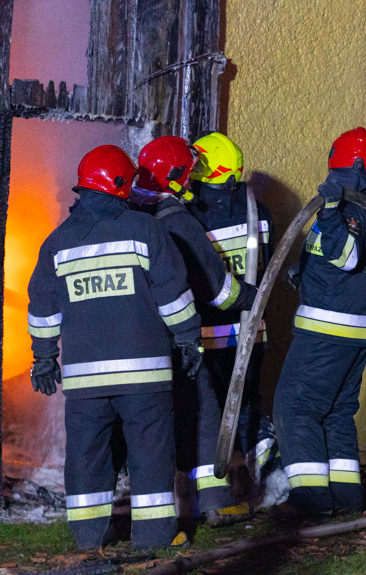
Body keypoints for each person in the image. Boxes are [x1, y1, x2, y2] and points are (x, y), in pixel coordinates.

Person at [27, 145, 199, 549]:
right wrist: (189, 338)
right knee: (150, 454)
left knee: (87, 458)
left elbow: (43, 308)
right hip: (146, 376)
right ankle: (154, 537)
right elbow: (173, 294)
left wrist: (44, 358)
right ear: (123, 185)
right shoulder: (145, 230)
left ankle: (89, 537)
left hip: (85, 382)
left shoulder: (57, 242)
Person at [133, 135, 257, 526]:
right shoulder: (178, 221)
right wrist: (254, 295)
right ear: (176, 180)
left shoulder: (127, 218)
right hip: (180, 340)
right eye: (187, 178)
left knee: (152, 425)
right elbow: (221, 292)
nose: (192, 185)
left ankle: (158, 510)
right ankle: (217, 502)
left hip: (136, 342)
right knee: (204, 414)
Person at [273, 127, 366, 515]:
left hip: (326, 331)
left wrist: (333, 212)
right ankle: (346, 495)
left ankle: (311, 498)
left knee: (295, 407)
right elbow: (345, 268)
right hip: (353, 332)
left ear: (344, 164)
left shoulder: (349, 209)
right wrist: (302, 273)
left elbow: (348, 257)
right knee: (337, 413)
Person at [186, 132, 287, 507]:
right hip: (250, 334)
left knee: (207, 413)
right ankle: (272, 480)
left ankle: (210, 492)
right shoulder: (257, 210)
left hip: (208, 334)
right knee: (247, 406)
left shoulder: (193, 215)